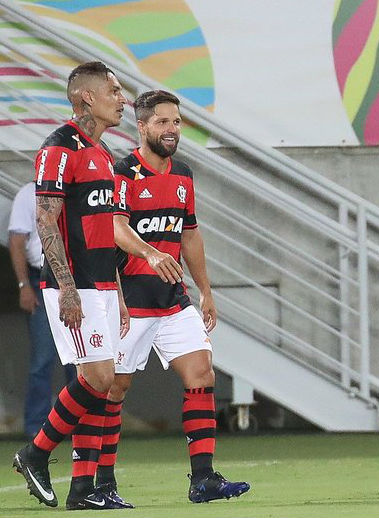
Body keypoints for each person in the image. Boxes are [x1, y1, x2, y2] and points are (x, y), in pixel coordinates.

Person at [94, 89, 249, 505]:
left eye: (176, 122)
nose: (171, 129)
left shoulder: (183, 174)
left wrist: (206, 290)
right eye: (162, 121)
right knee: (114, 388)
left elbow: (190, 234)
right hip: (130, 301)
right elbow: (116, 228)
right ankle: (101, 482)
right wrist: (150, 253)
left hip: (172, 299)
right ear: (142, 126)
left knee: (202, 374)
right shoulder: (123, 173)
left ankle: (204, 479)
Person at [12, 61, 131, 510]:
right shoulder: (58, 147)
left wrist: (117, 294)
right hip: (74, 283)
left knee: (97, 382)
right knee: (99, 378)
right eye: (114, 91)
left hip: (102, 283)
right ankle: (35, 453)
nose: (122, 99)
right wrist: (66, 288)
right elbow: (45, 220)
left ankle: (83, 490)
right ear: (87, 97)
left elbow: (104, 230)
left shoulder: (102, 153)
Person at [8, 181, 77, 437]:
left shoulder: (75, 191)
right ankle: (36, 429)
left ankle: (79, 426)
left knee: (79, 360)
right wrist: (24, 285)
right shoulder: (28, 193)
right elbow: (17, 241)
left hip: (76, 279)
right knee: (42, 360)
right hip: (41, 280)